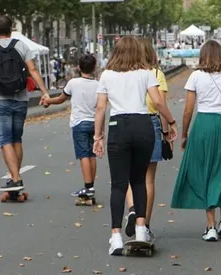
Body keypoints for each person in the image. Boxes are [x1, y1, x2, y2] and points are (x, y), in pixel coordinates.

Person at [93, 36, 177, 256]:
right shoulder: (146, 74)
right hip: (143, 125)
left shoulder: (107, 75)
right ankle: (141, 231)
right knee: (139, 180)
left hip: (118, 125)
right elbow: (158, 102)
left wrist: (98, 136)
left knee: (118, 185)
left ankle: (116, 238)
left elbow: (100, 108)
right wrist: (171, 122)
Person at [170, 40, 221, 242]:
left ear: (203, 56)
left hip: (202, 125)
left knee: (205, 173)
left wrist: (185, 134)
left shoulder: (195, 76)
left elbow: (187, 111)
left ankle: (210, 226)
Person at [0, 15, 50, 192]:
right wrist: (45, 92)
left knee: (5, 140)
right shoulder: (21, 45)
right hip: (21, 99)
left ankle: (15, 179)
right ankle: (15, 177)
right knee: (17, 139)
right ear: (11, 29)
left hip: (0, 100)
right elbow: (32, 70)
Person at [120, 38, 172, 239]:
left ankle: (133, 209)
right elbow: (161, 104)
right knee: (148, 179)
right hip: (150, 124)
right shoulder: (157, 74)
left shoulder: (123, 75)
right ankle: (145, 225)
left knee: (130, 176)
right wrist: (167, 132)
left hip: (126, 123)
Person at [41, 54, 100, 200]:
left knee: (83, 155)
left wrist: (48, 101)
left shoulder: (73, 83)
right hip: (94, 123)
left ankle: (88, 187)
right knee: (92, 155)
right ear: (94, 68)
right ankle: (91, 186)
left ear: (79, 67)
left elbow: (61, 99)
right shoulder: (98, 85)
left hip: (79, 123)